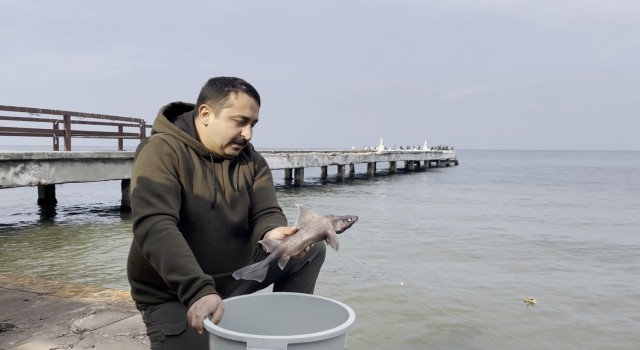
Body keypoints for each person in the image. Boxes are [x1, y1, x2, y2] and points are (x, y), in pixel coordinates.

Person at [126, 76, 326, 349]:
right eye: (240, 122)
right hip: (174, 292)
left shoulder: (252, 160)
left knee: (311, 250)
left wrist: (273, 233)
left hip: (235, 278)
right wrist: (198, 290)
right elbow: (155, 227)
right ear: (206, 114)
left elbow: (265, 211)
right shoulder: (161, 152)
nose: (248, 134)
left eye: (253, 124)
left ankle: (282, 329)